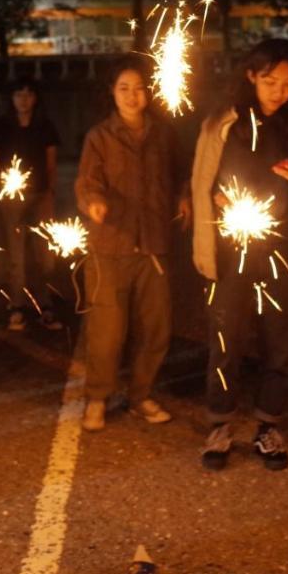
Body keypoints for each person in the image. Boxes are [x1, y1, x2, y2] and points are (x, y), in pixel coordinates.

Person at [191, 39, 288, 471]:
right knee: (227, 339)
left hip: (285, 249)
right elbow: (202, 181)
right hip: (232, 246)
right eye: (270, 80)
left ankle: (269, 424)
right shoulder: (225, 123)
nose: (279, 91)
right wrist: (215, 198)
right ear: (251, 76)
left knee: (281, 340)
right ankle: (220, 423)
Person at [75, 56, 190, 432]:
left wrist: (185, 197)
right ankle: (97, 397)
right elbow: (87, 182)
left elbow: (180, 175)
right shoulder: (99, 136)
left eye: (138, 88)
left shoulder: (164, 134)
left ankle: (141, 394)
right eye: (123, 88)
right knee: (107, 331)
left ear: (149, 91)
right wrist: (93, 201)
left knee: (156, 328)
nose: (132, 95)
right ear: (112, 92)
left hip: (154, 245)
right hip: (111, 246)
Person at [0, 77, 63, 331]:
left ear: (36, 98)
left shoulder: (45, 126)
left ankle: (44, 303)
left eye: (29, 94)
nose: (24, 99)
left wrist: (50, 192)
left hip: (40, 196)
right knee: (16, 255)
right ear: (11, 98)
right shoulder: (2, 126)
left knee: (45, 254)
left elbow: (51, 163)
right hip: (11, 197)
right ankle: (16, 305)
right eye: (19, 94)